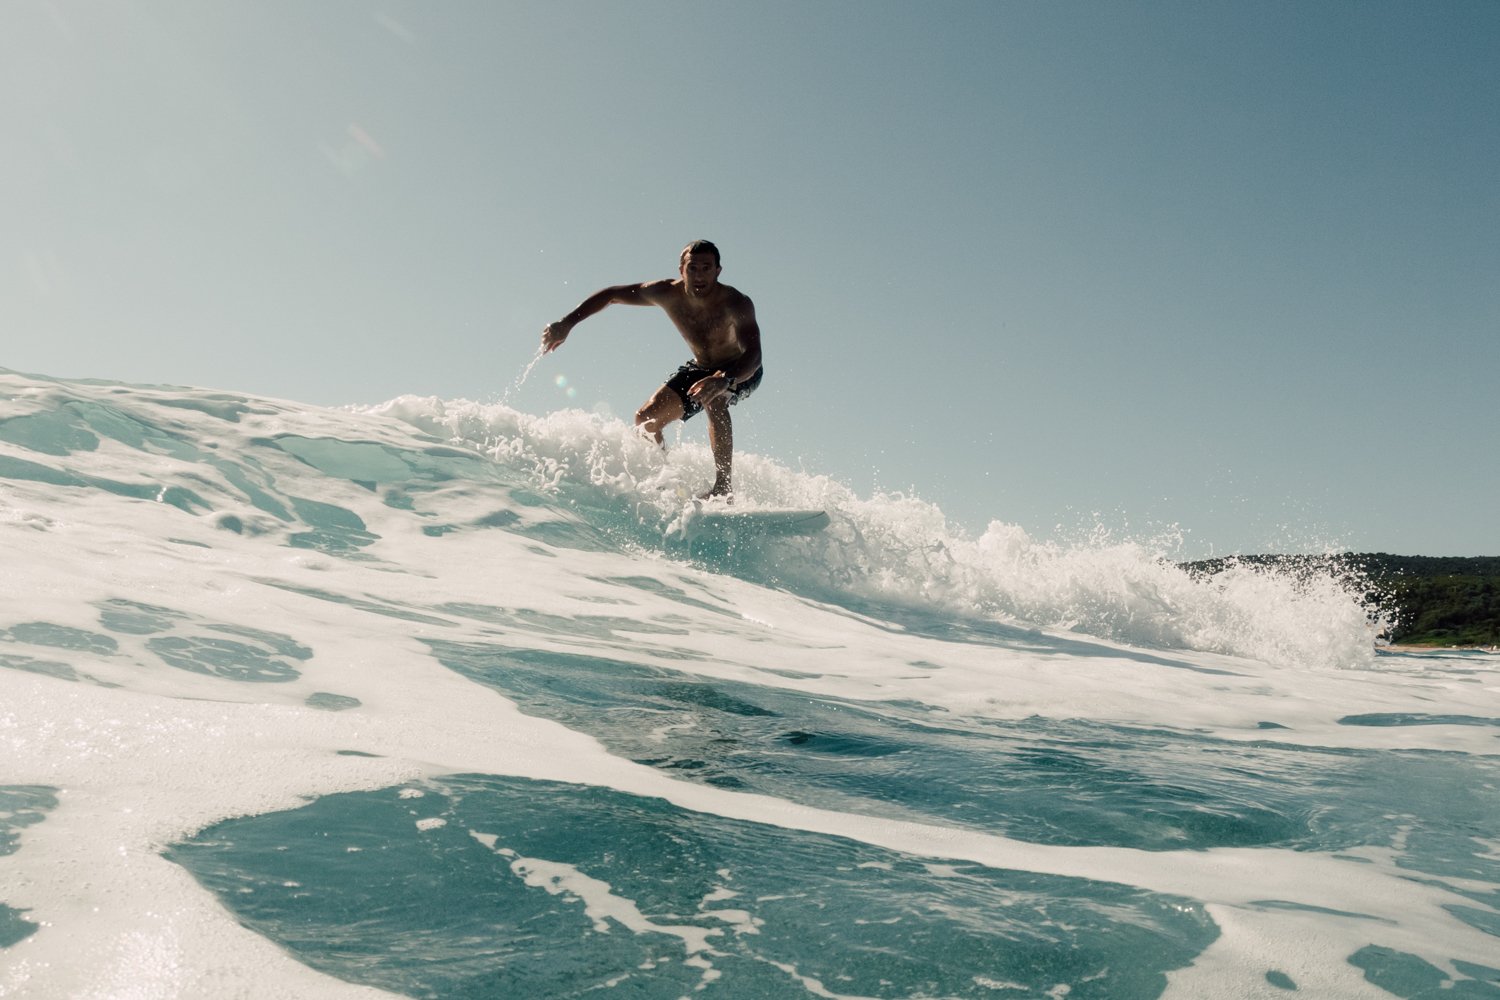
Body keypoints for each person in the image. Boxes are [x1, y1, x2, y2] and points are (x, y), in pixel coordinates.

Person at [541, 240, 763, 500]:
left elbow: (754, 355)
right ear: (681, 269)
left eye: (706, 268)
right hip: (700, 368)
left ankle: (723, 488)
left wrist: (725, 380)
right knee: (645, 419)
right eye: (693, 268)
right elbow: (611, 295)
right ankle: (666, 481)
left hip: (739, 369)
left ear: (718, 271)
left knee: (714, 400)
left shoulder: (736, 303)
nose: (699, 275)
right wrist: (567, 323)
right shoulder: (665, 293)